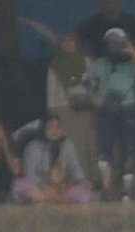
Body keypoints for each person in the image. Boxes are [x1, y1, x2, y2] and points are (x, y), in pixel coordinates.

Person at [83, 27, 135, 200]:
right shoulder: (101, 64)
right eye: (111, 43)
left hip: (128, 108)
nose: (114, 46)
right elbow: (86, 80)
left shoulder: (131, 63)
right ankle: (106, 191)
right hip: (106, 110)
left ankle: (127, 192)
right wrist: (97, 98)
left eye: (118, 42)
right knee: (104, 152)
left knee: (129, 151)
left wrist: (132, 51)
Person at [46, 32, 98, 184]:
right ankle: (80, 180)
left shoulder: (86, 61)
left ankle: (95, 180)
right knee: (75, 146)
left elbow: (94, 86)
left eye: (71, 41)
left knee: (91, 144)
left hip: (86, 108)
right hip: (65, 110)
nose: (68, 44)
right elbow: (51, 91)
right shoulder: (55, 65)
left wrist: (96, 106)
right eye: (65, 42)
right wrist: (53, 115)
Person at [13, 113, 92, 204]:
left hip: (59, 187)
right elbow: (29, 173)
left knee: (83, 192)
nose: (55, 130)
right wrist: (44, 186)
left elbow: (74, 166)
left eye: (58, 127)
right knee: (22, 185)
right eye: (51, 127)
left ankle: (49, 200)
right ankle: (59, 201)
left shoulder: (67, 144)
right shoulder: (34, 146)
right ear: (44, 129)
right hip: (38, 185)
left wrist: (82, 180)